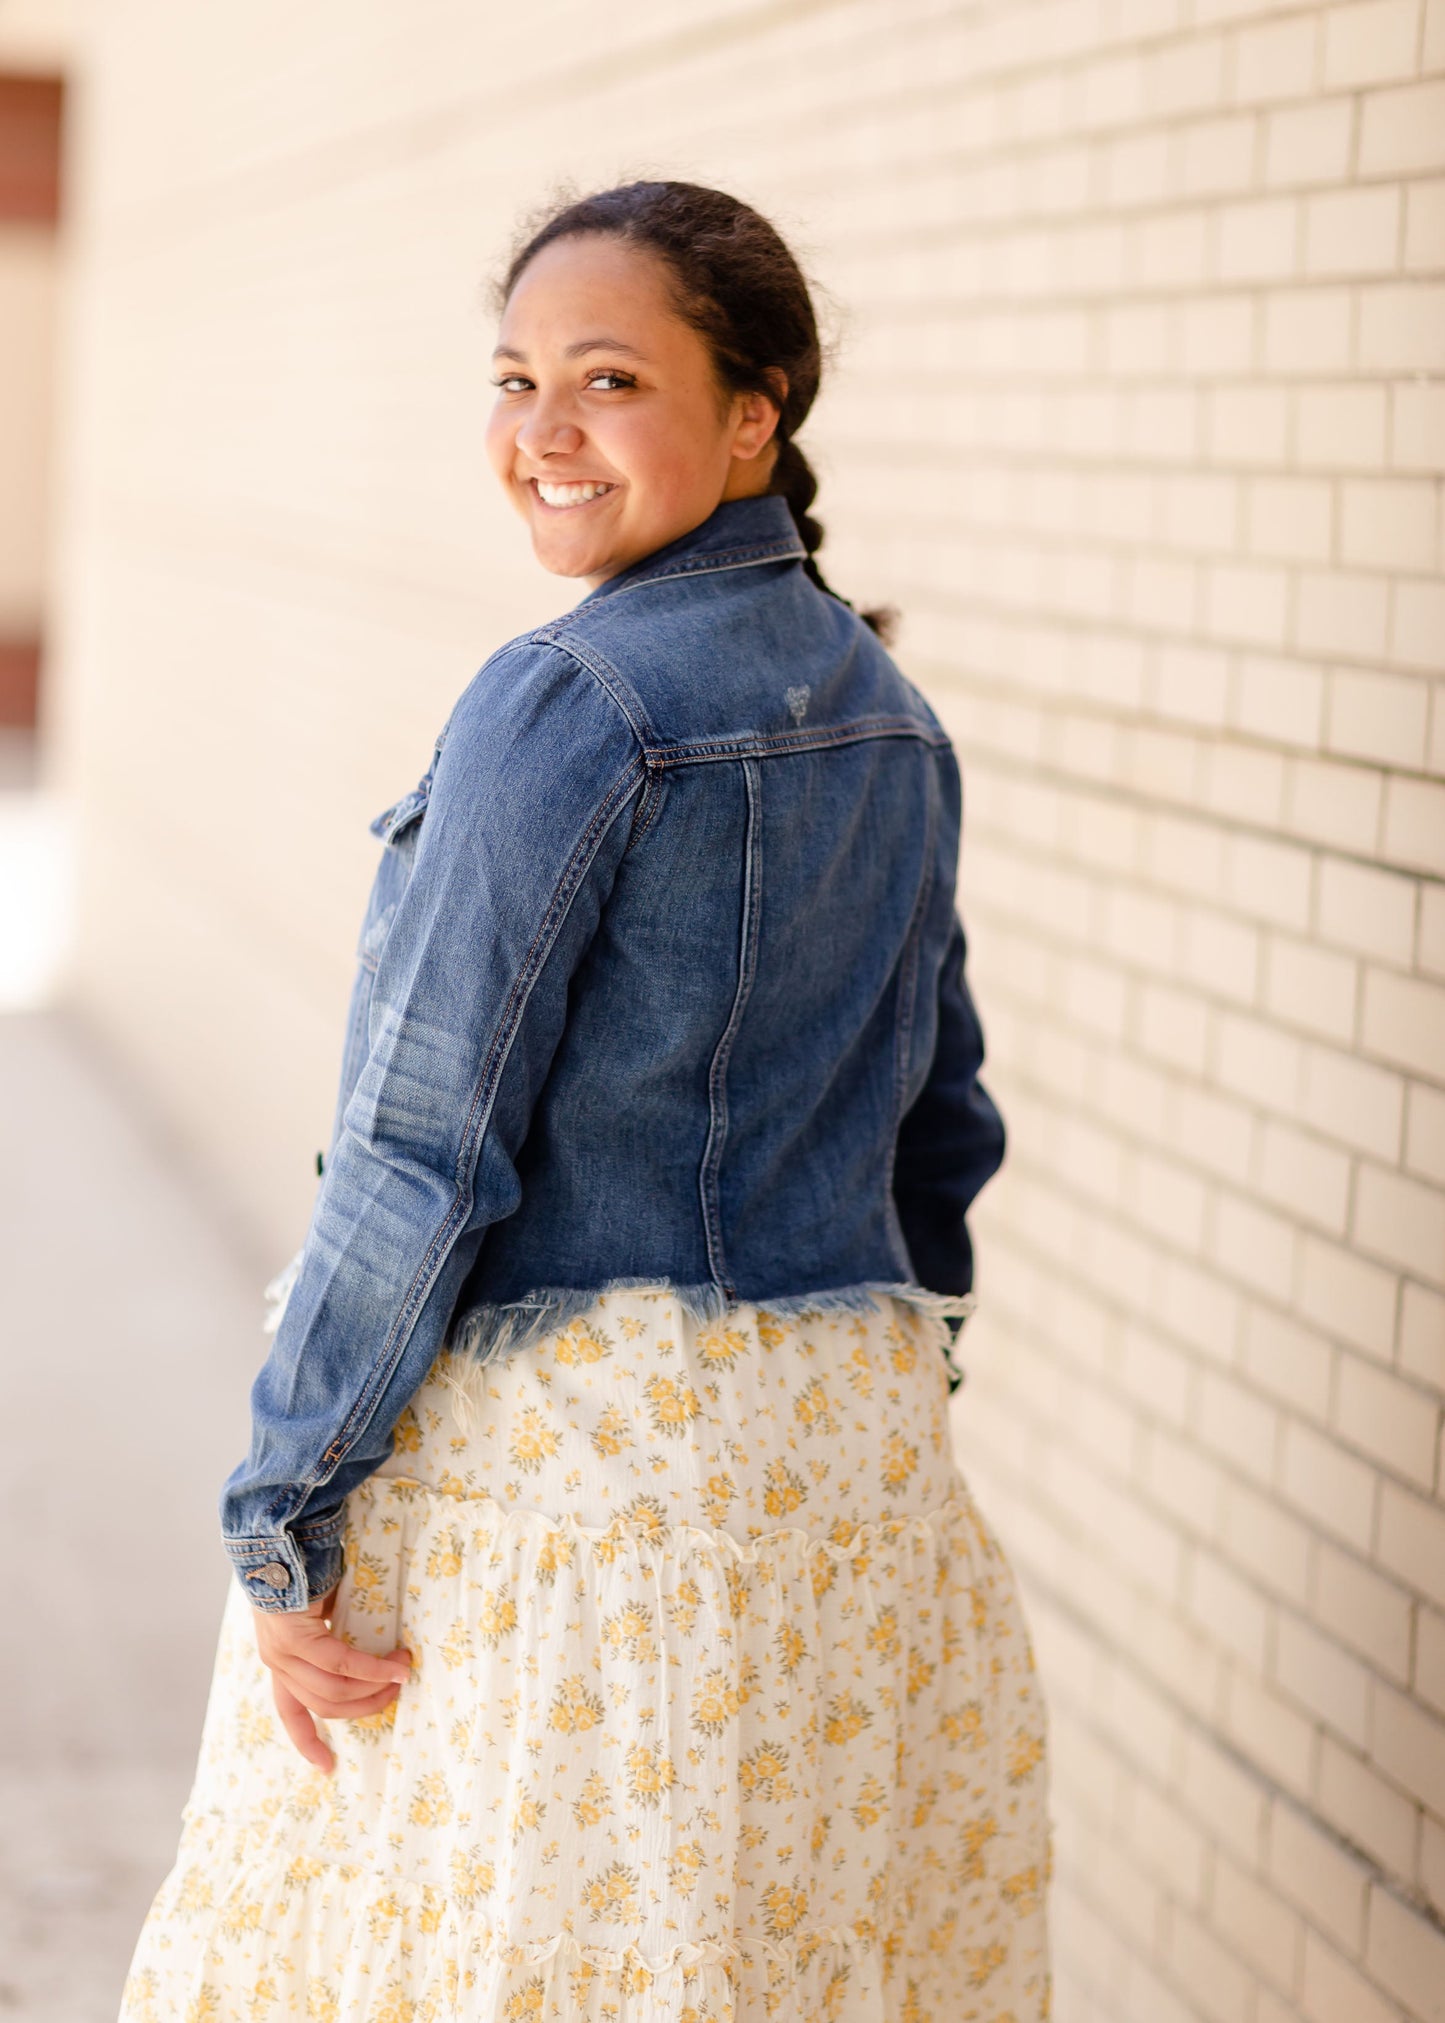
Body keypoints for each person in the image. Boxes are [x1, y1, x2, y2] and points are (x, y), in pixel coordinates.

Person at [119, 178, 1052, 2023]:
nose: (541, 432)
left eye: (608, 376)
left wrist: (285, 1501)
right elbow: (940, 1124)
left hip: (585, 1506)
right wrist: (887, 1379)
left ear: (753, 413)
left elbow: (420, 1148)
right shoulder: (889, 709)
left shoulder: (567, 701)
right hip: (850, 1483)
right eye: (515, 374)